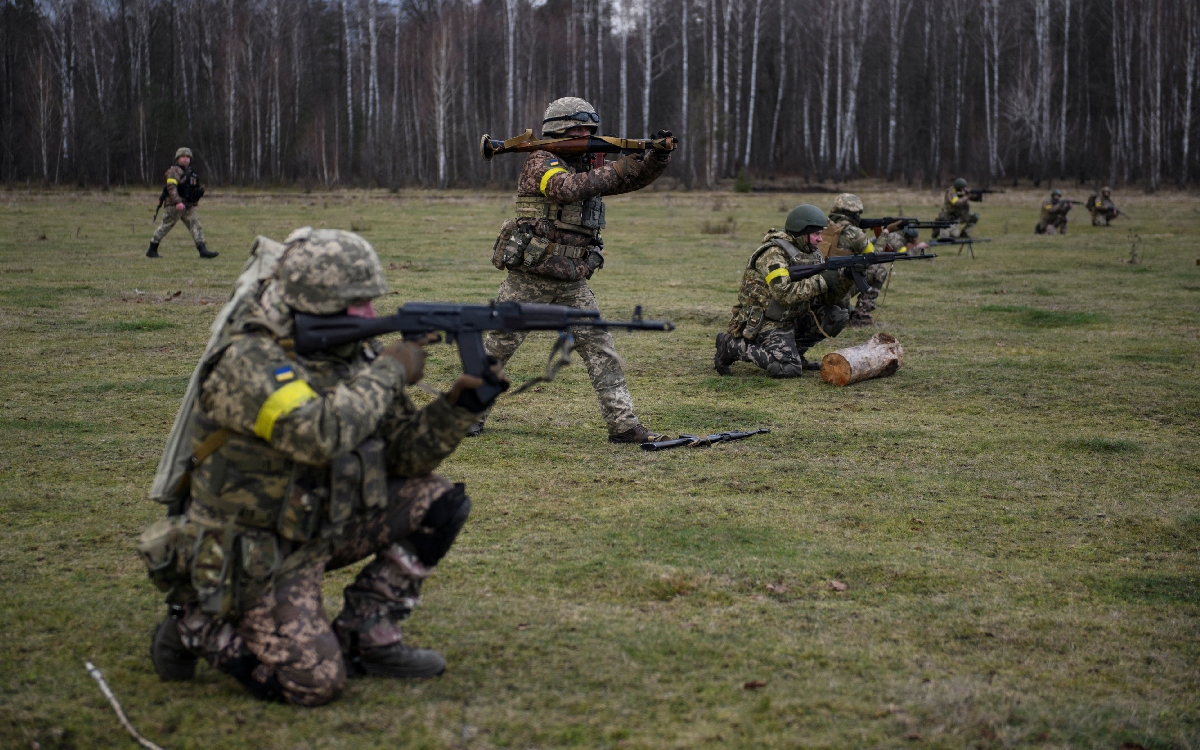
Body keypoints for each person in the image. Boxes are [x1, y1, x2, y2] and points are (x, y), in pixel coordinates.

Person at [139, 228, 499, 706]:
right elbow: (316, 435)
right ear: (314, 304)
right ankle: (196, 624)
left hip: (318, 523)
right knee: (314, 684)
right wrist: (391, 370)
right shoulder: (250, 359)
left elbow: (403, 457)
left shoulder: (354, 356)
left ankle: (366, 633)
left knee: (437, 500)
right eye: (357, 302)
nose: (371, 313)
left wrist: (461, 406)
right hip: (254, 552)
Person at [476, 96, 674, 443]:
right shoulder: (541, 161)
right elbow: (565, 189)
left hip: (572, 278)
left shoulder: (589, 167)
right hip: (531, 277)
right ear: (558, 129)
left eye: (589, 130)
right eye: (579, 129)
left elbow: (629, 180)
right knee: (498, 348)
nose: (586, 135)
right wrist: (618, 167)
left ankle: (624, 426)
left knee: (601, 348)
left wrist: (656, 156)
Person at [714, 204, 854, 377]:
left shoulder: (812, 253)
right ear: (802, 232)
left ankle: (795, 353)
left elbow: (826, 299)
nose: (820, 239)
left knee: (836, 315)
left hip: (793, 317)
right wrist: (822, 281)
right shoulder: (773, 254)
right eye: (816, 234)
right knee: (787, 368)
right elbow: (783, 294)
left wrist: (847, 279)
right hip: (767, 321)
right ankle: (731, 345)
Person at [820, 193, 885, 327]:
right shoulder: (854, 233)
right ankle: (861, 316)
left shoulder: (821, 226)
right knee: (880, 269)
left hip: (817, 286)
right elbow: (873, 256)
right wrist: (885, 235)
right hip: (839, 290)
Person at [147, 147, 217, 259]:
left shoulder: (191, 173)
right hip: (174, 205)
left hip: (187, 205)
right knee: (166, 226)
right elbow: (171, 188)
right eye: (183, 157)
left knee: (195, 225)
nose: (185, 159)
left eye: (188, 157)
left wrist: (194, 203)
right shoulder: (173, 172)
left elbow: (193, 189)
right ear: (178, 158)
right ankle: (152, 249)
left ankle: (203, 250)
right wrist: (177, 202)